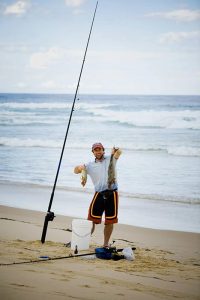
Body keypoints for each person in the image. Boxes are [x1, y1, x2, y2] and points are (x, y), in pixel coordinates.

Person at [74, 142, 122, 248]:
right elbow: (75, 171)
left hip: (112, 194)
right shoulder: (89, 165)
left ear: (103, 150)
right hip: (99, 194)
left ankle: (105, 244)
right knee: (91, 220)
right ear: (93, 152)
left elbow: (119, 153)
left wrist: (116, 150)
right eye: (96, 150)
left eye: (100, 149)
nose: (98, 151)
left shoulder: (111, 159)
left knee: (109, 221)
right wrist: (80, 167)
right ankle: (82, 241)